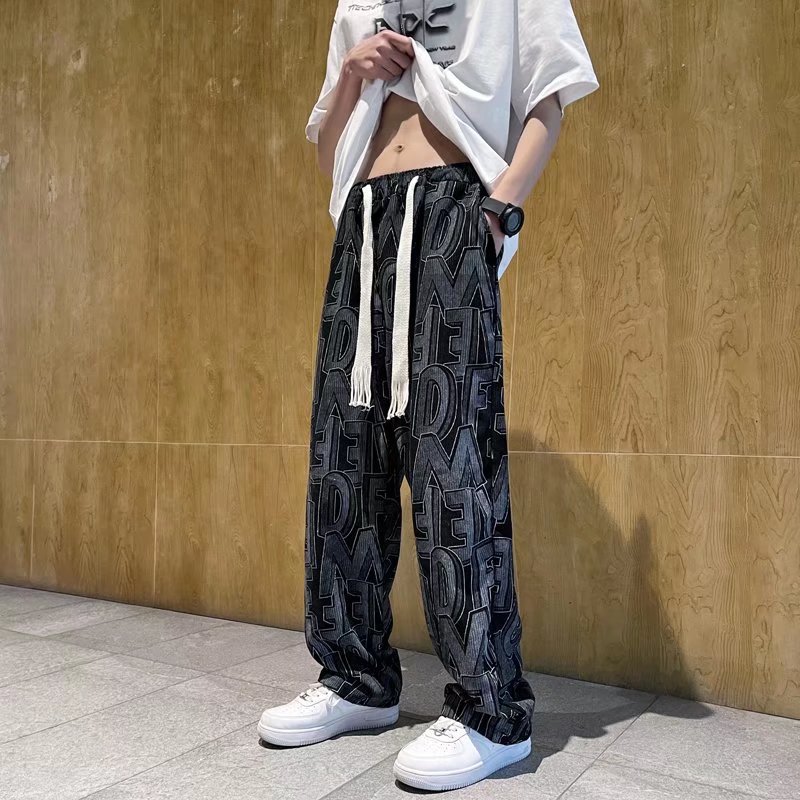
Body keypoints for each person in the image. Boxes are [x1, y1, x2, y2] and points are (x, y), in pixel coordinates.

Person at [259, 0, 599, 791]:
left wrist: (500, 209)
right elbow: (331, 154)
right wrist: (351, 74)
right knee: (345, 461)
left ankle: (490, 710)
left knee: (453, 465)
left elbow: (548, 99)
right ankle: (357, 679)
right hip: (363, 220)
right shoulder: (357, 4)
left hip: (453, 210)